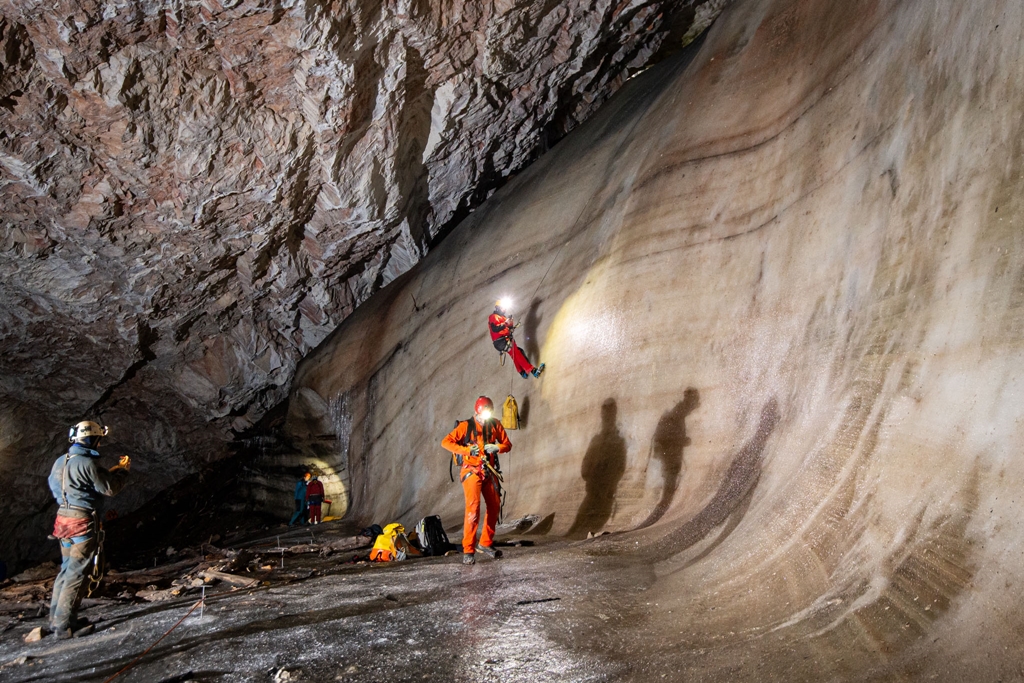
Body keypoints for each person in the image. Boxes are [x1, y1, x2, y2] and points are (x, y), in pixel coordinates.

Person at [46, 421, 130, 639]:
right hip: (81, 521)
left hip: (63, 520)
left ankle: (56, 619)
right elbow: (109, 488)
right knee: (78, 572)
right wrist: (122, 472)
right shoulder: (87, 463)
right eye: (98, 439)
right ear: (92, 439)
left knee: (66, 569)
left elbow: (74, 483)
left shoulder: (60, 462)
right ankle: (64, 626)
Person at [441, 396, 512, 564]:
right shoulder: (465, 426)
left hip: (489, 471)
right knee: (473, 509)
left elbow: (507, 444)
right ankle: (468, 550)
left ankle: (486, 543)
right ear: (477, 412)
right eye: (483, 415)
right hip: (471, 471)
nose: (484, 419)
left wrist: (498, 447)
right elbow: (446, 442)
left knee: (494, 505)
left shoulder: (494, 424)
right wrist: (466, 450)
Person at [488, 301, 544, 379]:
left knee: (515, 353)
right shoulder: (493, 316)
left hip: (502, 341)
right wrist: (505, 324)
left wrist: (510, 325)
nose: (504, 309)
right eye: (502, 307)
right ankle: (533, 370)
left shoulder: (503, 317)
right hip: (502, 341)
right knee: (517, 354)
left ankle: (522, 372)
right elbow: (495, 328)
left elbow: (507, 328)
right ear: (497, 308)